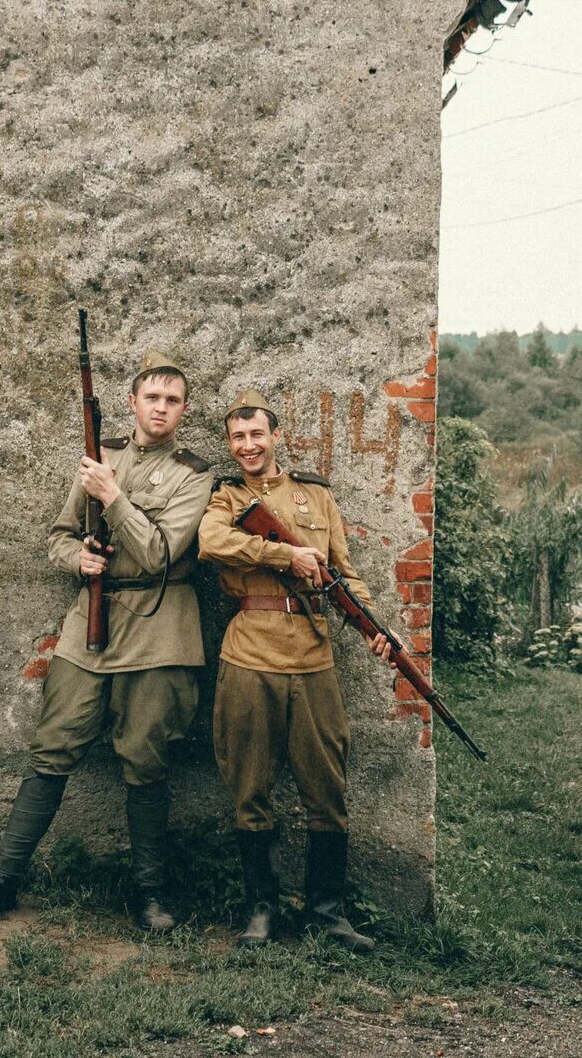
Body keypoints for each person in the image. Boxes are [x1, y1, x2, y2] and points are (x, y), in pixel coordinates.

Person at [0, 349, 211, 934]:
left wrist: (113, 496)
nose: (160, 409)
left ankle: (150, 894)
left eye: (172, 400)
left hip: (161, 629)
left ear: (184, 411)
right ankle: (2, 882)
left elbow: (162, 552)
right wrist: (78, 557)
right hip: (89, 621)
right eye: (151, 398)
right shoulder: (102, 457)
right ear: (132, 402)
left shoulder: (195, 474)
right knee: (52, 748)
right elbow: (60, 536)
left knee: (146, 759)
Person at [198, 388, 377, 953]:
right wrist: (283, 555)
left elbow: (346, 574)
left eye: (257, 435)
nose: (248, 446)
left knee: (327, 786)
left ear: (277, 437)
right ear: (231, 446)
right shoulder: (227, 497)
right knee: (249, 785)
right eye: (238, 438)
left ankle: (328, 914)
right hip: (249, 654)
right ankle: (262, 912)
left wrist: (377, 628)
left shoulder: (315, 498)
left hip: (314, 654)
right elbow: (210, 542)